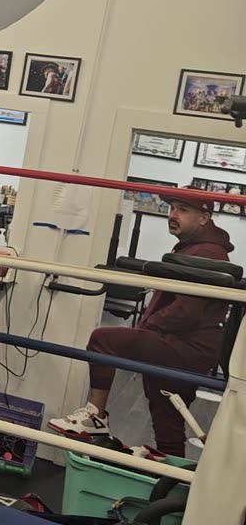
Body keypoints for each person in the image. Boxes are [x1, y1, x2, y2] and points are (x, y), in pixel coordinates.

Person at [49, 186, 234, 457]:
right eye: (172, 208)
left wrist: (146, 329)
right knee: (167, 419)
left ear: (204, 218)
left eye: (183, 210)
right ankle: (170, 482)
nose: (173, 214)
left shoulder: (206, 253)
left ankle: (95, 415)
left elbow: (187, 312)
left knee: (103, 340)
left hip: (184, 347)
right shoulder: (195, 247)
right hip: (189, 347)